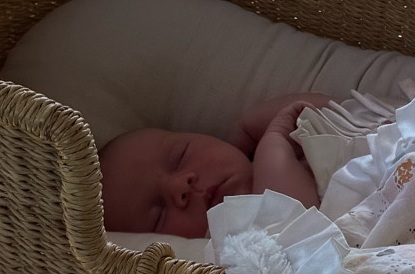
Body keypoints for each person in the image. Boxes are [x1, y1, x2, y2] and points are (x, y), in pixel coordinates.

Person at [98, 94, 322, 239]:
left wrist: (252, 126)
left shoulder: (290, 148)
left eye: (180, 157)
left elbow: (347, 117)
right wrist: (274, 141)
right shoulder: (234, 247)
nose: (180, 186)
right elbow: (296, 228)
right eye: (159, 215)